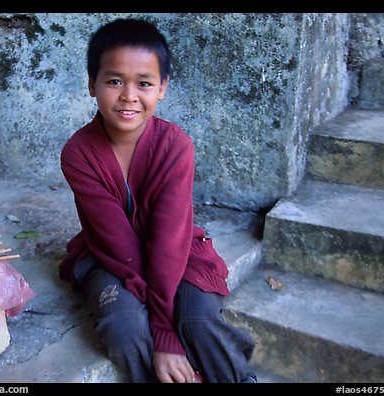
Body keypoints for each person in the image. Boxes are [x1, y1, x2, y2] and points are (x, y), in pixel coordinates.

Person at [59, 18, 257, 383]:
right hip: (111, 257)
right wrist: (159, 331)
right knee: (124, 327)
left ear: (162, 88)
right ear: (92, 84)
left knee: (196, 319)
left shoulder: (175, 147)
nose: (129, 95)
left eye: (144, 83)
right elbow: (120, 244)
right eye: (114, 80)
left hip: (178, 251)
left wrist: (166, 333)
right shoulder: (79, 153)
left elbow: (168, 241)